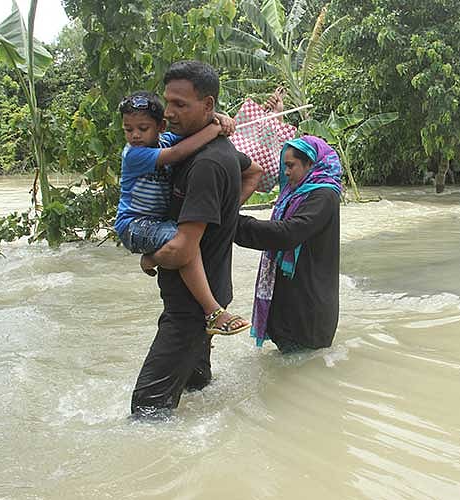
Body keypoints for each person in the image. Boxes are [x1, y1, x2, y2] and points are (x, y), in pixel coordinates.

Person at [130, 61, 263, 416]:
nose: (169, 113)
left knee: (147, 409)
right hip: (211, 295)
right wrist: (219, 214)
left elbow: (182, 249)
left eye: (180, 105)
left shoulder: (206, 164)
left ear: (209, 106)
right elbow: (254, 172)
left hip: (191, 309)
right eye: (168, 102)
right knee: (196, 388)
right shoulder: (212, 150)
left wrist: (149, 257)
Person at [115, 90, 250, 337]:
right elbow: (178, 154)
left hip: (155, 223)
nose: (134, 135)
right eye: (128, 129)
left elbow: (190, 130)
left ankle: (152, 257)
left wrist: (217, 117)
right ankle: (213, 312)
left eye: (142, 128)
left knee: (182, 240)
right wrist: (214, 129)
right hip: (134, 225)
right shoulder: (134, 154)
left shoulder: (165, 140)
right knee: (185, 244)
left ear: (160, 127)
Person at [235, 135, 342, 353]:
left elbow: (288, 234)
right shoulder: (295, 194)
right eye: (285, 166)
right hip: (292, 303)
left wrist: (233, 225)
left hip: (307, 309)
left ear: (311, 163)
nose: (286, 172)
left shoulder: (323, 195)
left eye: (291, 165)